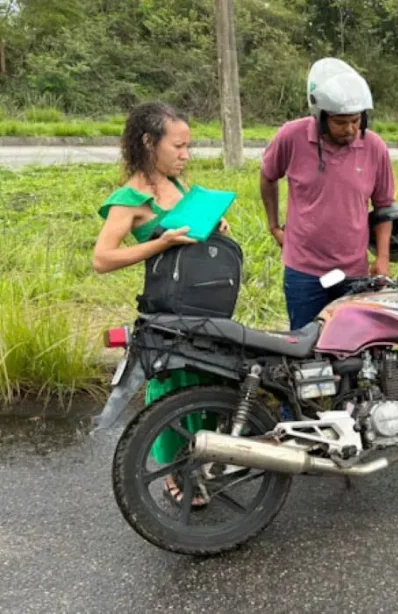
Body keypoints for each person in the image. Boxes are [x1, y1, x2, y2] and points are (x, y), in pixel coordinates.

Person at [93, 101, 230, 507]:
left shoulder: (180, 187)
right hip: (166, 310)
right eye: (178, 146)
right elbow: (102, 259)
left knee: (208, 380)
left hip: (202, 305)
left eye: (189, 147)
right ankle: (172, 472)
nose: (186, 155)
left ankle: (201, 457)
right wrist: (161, 243)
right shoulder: (129, 198)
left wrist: (213, 227)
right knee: (171, 387)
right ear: (149, 143)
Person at [260, 57, 398, 333]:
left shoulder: (374, 147)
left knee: (350, 341)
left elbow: (385, 207)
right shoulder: (291, 137)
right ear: (321, 117)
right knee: (304, 340)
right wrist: (274, 226)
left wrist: (382, 258)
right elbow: (268, 176)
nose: (350, 130)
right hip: (304, 269)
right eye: (340, 122)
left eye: (356, 121)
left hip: (353, 270)